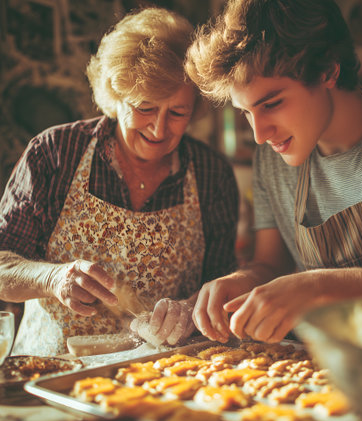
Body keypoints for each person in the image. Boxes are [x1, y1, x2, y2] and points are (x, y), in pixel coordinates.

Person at [185, 0, 362, 344]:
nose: (260, 135)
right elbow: (270, 265)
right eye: (246, 113)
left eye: (272, 104)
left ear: (327, 70)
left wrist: (323, 286)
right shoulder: (272, 160)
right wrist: (241, 281)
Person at [0, 7, 239, 356]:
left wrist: (190, 308)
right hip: (51, 369)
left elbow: (222, 284)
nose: (159, 129)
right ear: (116, 95)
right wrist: (52, 279)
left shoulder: (210, 173)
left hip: (163, 377)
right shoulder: (55, 153)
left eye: (176, 113)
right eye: (144, 107)